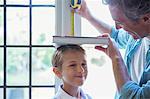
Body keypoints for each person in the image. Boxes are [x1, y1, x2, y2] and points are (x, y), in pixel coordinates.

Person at [74, 0, 150, 98]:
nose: (118, 27)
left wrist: (116, 58)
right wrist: (88, 15)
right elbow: (116, 36)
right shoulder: (137, 36)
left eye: (120, 22)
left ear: (146, 19)